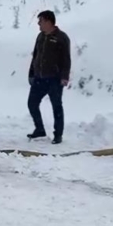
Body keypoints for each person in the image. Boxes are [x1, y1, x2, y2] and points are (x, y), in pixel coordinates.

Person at [27, 10, 71, 144]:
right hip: (39, 78)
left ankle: (58, 134)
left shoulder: (61, 37)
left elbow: (66, 59)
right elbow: (35, 56)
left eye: (40, 21)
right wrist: (31, 73)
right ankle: (39, 129)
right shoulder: (40, 37)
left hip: (54, 79)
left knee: (56, 106)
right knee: (32, 103)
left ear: (48, 21)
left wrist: (64, 76)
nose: (39, 24)